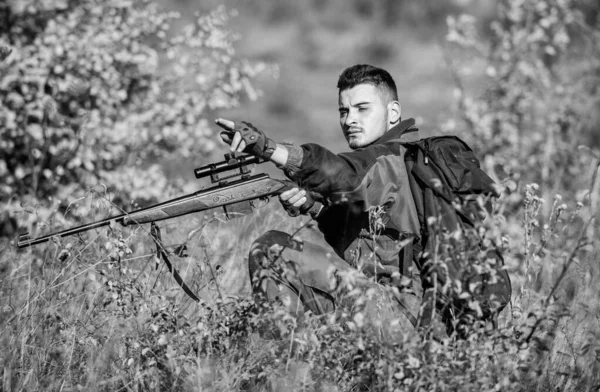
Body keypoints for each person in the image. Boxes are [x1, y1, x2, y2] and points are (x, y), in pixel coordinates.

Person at [216, 64, 425, 337]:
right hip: (412, 319)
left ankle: (278, 366)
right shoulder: (403, 161)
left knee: (272, 249)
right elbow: (364, 238)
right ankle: (304, 361)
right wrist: (313, 206)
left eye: (363, 109)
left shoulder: (390, 160)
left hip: (400, 318)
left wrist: (269, 149)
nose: (350, 120)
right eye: (343, 111)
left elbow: (340, 175)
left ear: (393, 112)